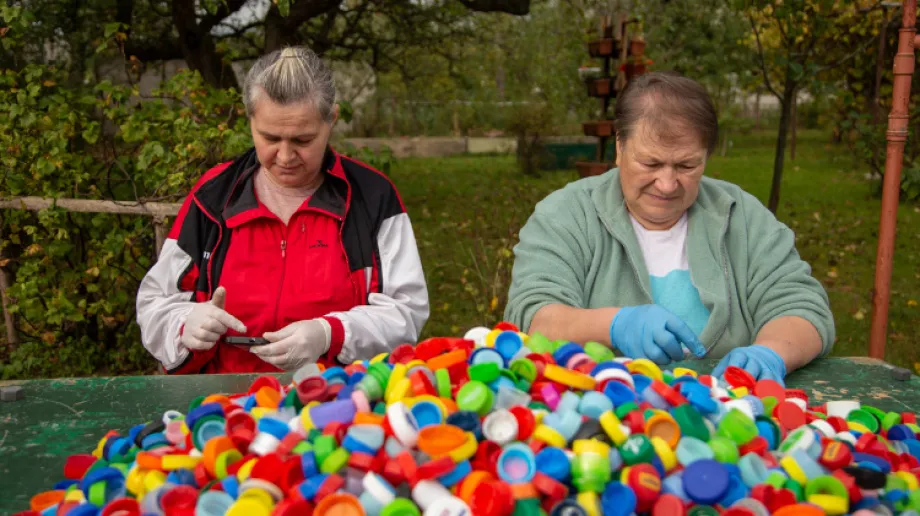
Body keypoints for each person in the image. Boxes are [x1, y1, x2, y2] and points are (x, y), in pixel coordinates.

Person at [504, 71, 834, 384]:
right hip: (604, 408)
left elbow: (802, 306)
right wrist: (614, 325)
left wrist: (771, 352)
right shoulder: (566, 215)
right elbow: (533, 316)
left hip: (729, 411)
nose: (667, 184)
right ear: (620, 147)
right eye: (651, 163)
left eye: (686, 165)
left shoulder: (742, 217)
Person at [137, 47, 429, 374]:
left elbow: (406, 312)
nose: (286, 156)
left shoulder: (372, 197)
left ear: (331, 120)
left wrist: (329, 333)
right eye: (270, 138)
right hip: (222, 398)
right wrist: (184, 324)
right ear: (250, 120)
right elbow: (155, 304)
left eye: (303, 140)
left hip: (338, 397)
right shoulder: (213, 196)